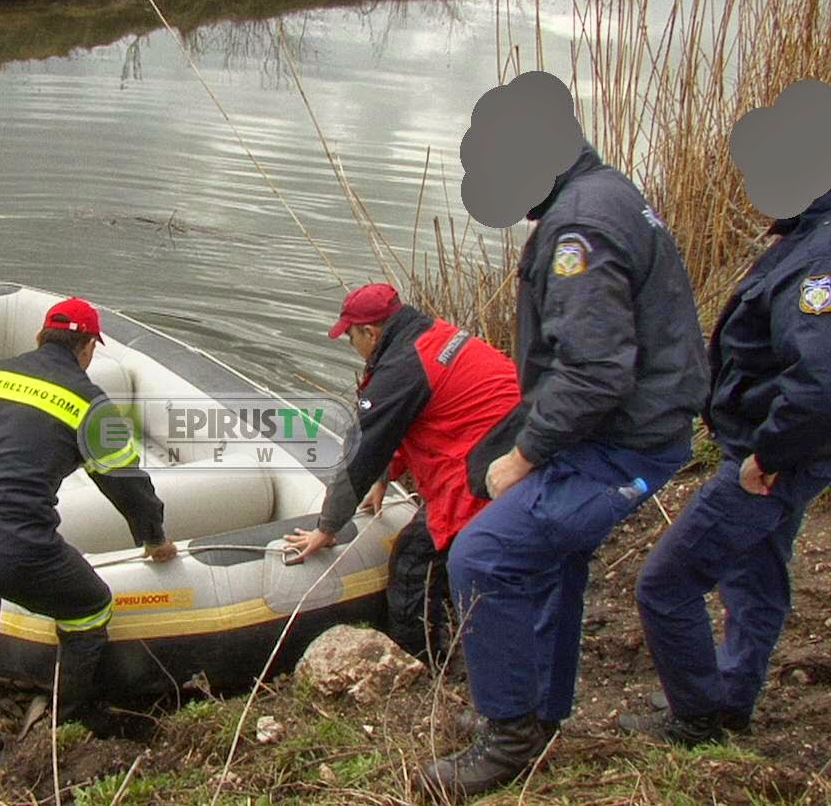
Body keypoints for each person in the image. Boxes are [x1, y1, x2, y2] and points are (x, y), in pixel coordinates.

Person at [421, 140, 710, 798]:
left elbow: (598, 370)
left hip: (625, 439)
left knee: (485, 553)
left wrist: (523, 456)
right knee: (549, 559)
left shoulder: (579, 229)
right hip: (627, 424)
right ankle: (538, 710)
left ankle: (509, 736)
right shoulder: (603, 190)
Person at [619, 186, 831, 745]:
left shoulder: (818, 258)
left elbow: (820, 381)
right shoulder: (807, 234)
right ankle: (732, 696)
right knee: (756, 572)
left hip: (772, 457)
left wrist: (770, 454)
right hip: (783, 449)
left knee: (665, 583)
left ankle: (694, 719)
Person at [0, 296, 176, 766]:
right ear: (87, 349)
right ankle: (72, 720)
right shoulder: (89, 402)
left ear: (40, 336)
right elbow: (126, 483)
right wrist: (153, 537)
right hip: (15, 542)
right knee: (90, 608)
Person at [284, 283, 521, 666]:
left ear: (370, 333)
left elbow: (360, 452)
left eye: (350, 336)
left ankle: (422, 660)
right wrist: (384, 475)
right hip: (520, 441)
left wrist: (327, 529)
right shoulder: (431, 335)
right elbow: (409, 418)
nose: (351, 345)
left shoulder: (400, 368)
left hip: (486, 461)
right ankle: (458, 624)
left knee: (414, 560)